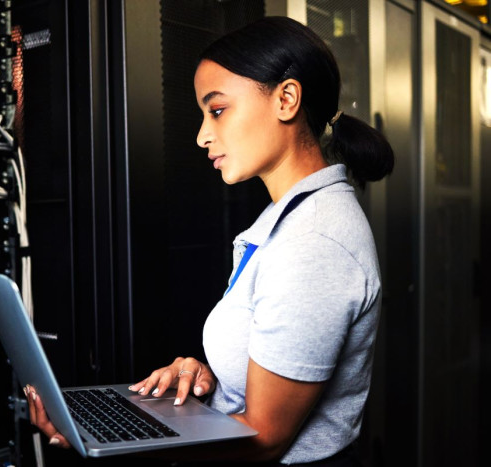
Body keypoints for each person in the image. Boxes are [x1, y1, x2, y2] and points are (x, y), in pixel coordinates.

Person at [25, 15, 394, 466]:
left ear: (287, 98)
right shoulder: (291, 220)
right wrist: (209, 381)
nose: (202, 135)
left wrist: (126, 443)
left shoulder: (313, 241)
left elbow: (265, 440)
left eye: (217, 110)